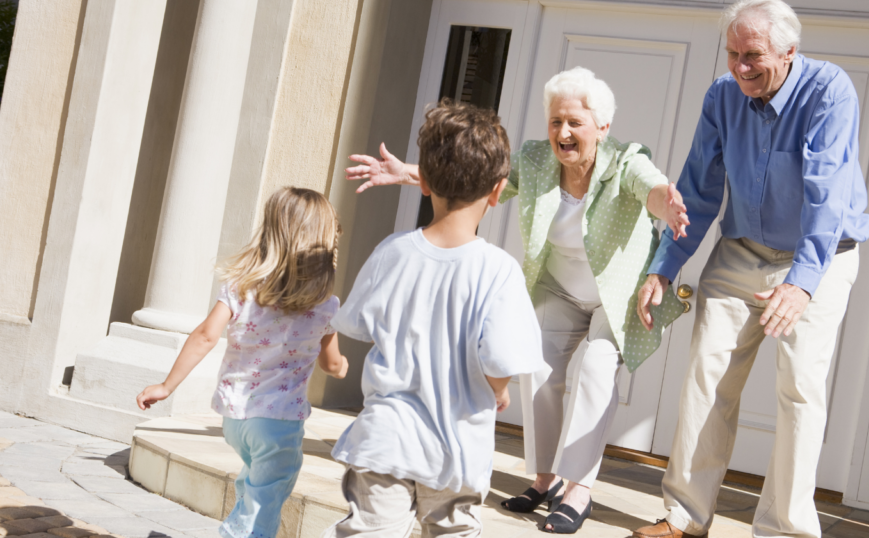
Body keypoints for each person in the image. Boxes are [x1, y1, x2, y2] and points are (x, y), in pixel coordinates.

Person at [346, 67, 689, 534]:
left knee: (594, 370)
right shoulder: (534, 159)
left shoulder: (627, 162)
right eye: (554, 122)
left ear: (602, 128)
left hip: (615, 295)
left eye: (574, 123)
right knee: (540, 369)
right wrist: (411, 173)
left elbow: (650, 187)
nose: (562, 133)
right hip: (560, 286)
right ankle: (545, 478)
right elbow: (476, 179)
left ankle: (578, 487)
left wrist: (665, 205)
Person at [632, 1, 869, 538]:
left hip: (823, 255)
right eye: (733, 53)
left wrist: (802, 284)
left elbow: (826, 195)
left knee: (800, 389)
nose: (740, 67)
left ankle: (785, 530)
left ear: (789, 52)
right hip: (741, 252)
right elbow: (698, 186)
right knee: (705, 378)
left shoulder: (829, 91)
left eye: (754, 56)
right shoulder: (722, 96)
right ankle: (683, 519)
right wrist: (665, 266)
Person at [323, 100, 547, 538]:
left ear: (422, 181)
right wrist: (497, 390)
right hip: (456, 448)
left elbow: (355, 324)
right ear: (499, 190)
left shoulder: (392, 251)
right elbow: (501, 361)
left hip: (384, 439)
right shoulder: (499, 270)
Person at [135, 187, 348, 538]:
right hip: (279, 423)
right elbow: (332, 364)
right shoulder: (325, 305)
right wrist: (343, 368)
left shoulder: (241, 287)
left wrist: (166, 385)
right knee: (266, 502)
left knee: (254, 483)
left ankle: (239, 527)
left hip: (235, 418)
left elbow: (205, 336)